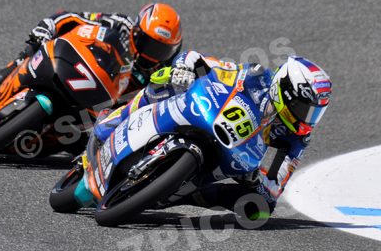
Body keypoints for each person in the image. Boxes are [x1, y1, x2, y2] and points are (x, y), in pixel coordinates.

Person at [93, 52, 332, 219]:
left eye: (316, 114)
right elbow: (208, 63)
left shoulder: (298, 138)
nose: (307, 119)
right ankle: (117, 117)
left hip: (233, 153)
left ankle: (183, 194)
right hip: (206, 113)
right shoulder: (256, 77)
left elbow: (276, 184)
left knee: (261, 207)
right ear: (286, 90)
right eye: (306, 109)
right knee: (165, 81)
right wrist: (188, 66)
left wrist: (259, 184)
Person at [0, 3, 183, 96]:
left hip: (102, 106)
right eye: (149, 44)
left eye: (160, 50)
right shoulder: (121, 24)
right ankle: (15, 68)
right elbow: (72, 17)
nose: (151, 54)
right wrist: (44, 30)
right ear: (137, 30)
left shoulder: (161, 72)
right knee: (37, 45)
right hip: (82, 67)